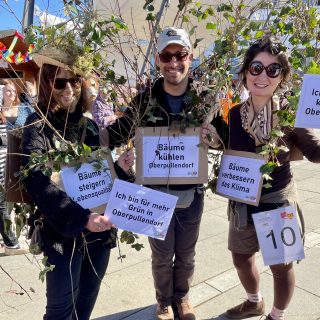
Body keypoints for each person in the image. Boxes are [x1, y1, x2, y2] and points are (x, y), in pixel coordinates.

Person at [107, 27, 222, 320]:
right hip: (154, 196)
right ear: (158, 60)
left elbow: (227, 136)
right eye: (167, 56)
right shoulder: (144, 101)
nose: (174, 62)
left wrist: (216, 138)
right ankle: (163, 302)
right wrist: (79, 136)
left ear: (190, 57)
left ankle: (182, 298)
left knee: (186, 254)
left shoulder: (206, 99)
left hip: (191, 194)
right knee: (161, 256)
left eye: (180, 54)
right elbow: (114, 134)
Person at [21, 62, 134, 320]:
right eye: (60, 82)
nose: (68, 88)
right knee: (61, 307)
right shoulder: (38, 125)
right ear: (48, 84)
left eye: (74, 81)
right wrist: (82, 218)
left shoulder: (90, 125)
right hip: (62, 230)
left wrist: (120, 168)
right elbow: (34, 177)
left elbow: (99, 175)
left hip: (99, 231)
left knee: (86, 298)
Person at [225, 35, 320, 320]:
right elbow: (223, 144)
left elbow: (315, 153)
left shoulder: (290, 114)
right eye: (256, 68)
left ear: (283, 76)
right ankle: (254, 301)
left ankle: (276, 316)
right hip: (243, 198)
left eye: (272, 69)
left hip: (277, 200)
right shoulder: (232, 114)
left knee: (281, 266)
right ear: (245, 73)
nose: (263, 75)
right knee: (241, 259)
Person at [0, 79, 33, 255]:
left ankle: (25, 235)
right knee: (4, 200)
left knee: (23, 197)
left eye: (12, 90)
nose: (10, 93)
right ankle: (10, 240)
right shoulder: (0, 111)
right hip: (3, 160)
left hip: (22, 159)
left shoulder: (25, 110)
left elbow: (36, 126)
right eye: (6, 91)